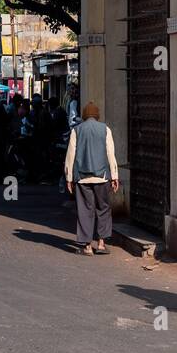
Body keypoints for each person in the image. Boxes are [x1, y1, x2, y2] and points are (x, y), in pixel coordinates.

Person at [64, 102, 119, 255]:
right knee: (103, 209)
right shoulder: (105, 130)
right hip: (102, 177)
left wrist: (69, 178)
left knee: (85, 210)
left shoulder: (77, 130)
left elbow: (70, 156)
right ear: (97, 115)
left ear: (84, 115)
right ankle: (101, 243)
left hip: (82, 178)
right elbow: (110, 154)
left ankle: (87, 246)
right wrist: (114, 176)